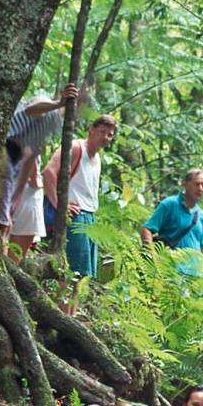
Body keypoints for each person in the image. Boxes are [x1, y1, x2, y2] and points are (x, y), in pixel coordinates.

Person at [1, 83, 78, 249]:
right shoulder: (46, 108)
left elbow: (31, 156)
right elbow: (32, 109)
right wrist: (59, 103)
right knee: (3, 225)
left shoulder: (50, 126)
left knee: (9, 228)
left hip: (17, 179)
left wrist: (19, 193)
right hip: (5, 166)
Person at [45, 115, 118, 283]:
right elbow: (49, 172)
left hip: (89, 217)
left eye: (110, 134)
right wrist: (59, 205)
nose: (105, 137)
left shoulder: (97, 157)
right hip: (75, 216)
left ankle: (71, 310)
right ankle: (62, 309)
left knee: (82, 276)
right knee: (71, 273)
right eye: (102, 132)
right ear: (91, 130)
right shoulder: (76, 148)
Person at [142, 168, 203, 275]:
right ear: (185, 184)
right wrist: (153, 258)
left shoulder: (201, 215)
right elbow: (147, 229)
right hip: (171, 273)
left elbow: (202, 249)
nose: (200, 188)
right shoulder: (169, 204)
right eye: (197, 184)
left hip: (196, 278)